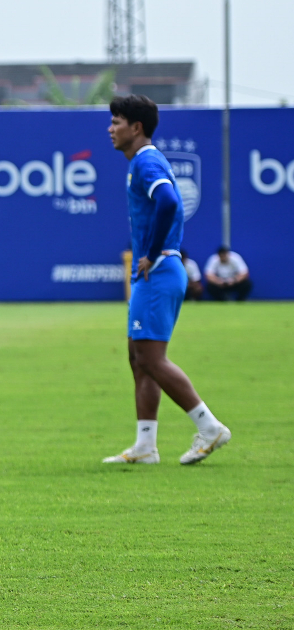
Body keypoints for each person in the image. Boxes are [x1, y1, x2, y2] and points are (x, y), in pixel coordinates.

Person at [103, 94, 231, 466]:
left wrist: (154, 253)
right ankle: (145, 445)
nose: (110, 129)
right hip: (156, 272)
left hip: (157, 272)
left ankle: (210, 427)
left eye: (116, 121)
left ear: (136, 127)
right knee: (138, 357)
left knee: (151, 358)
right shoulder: (142, 162)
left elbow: (171, 202)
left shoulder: (146, 161)